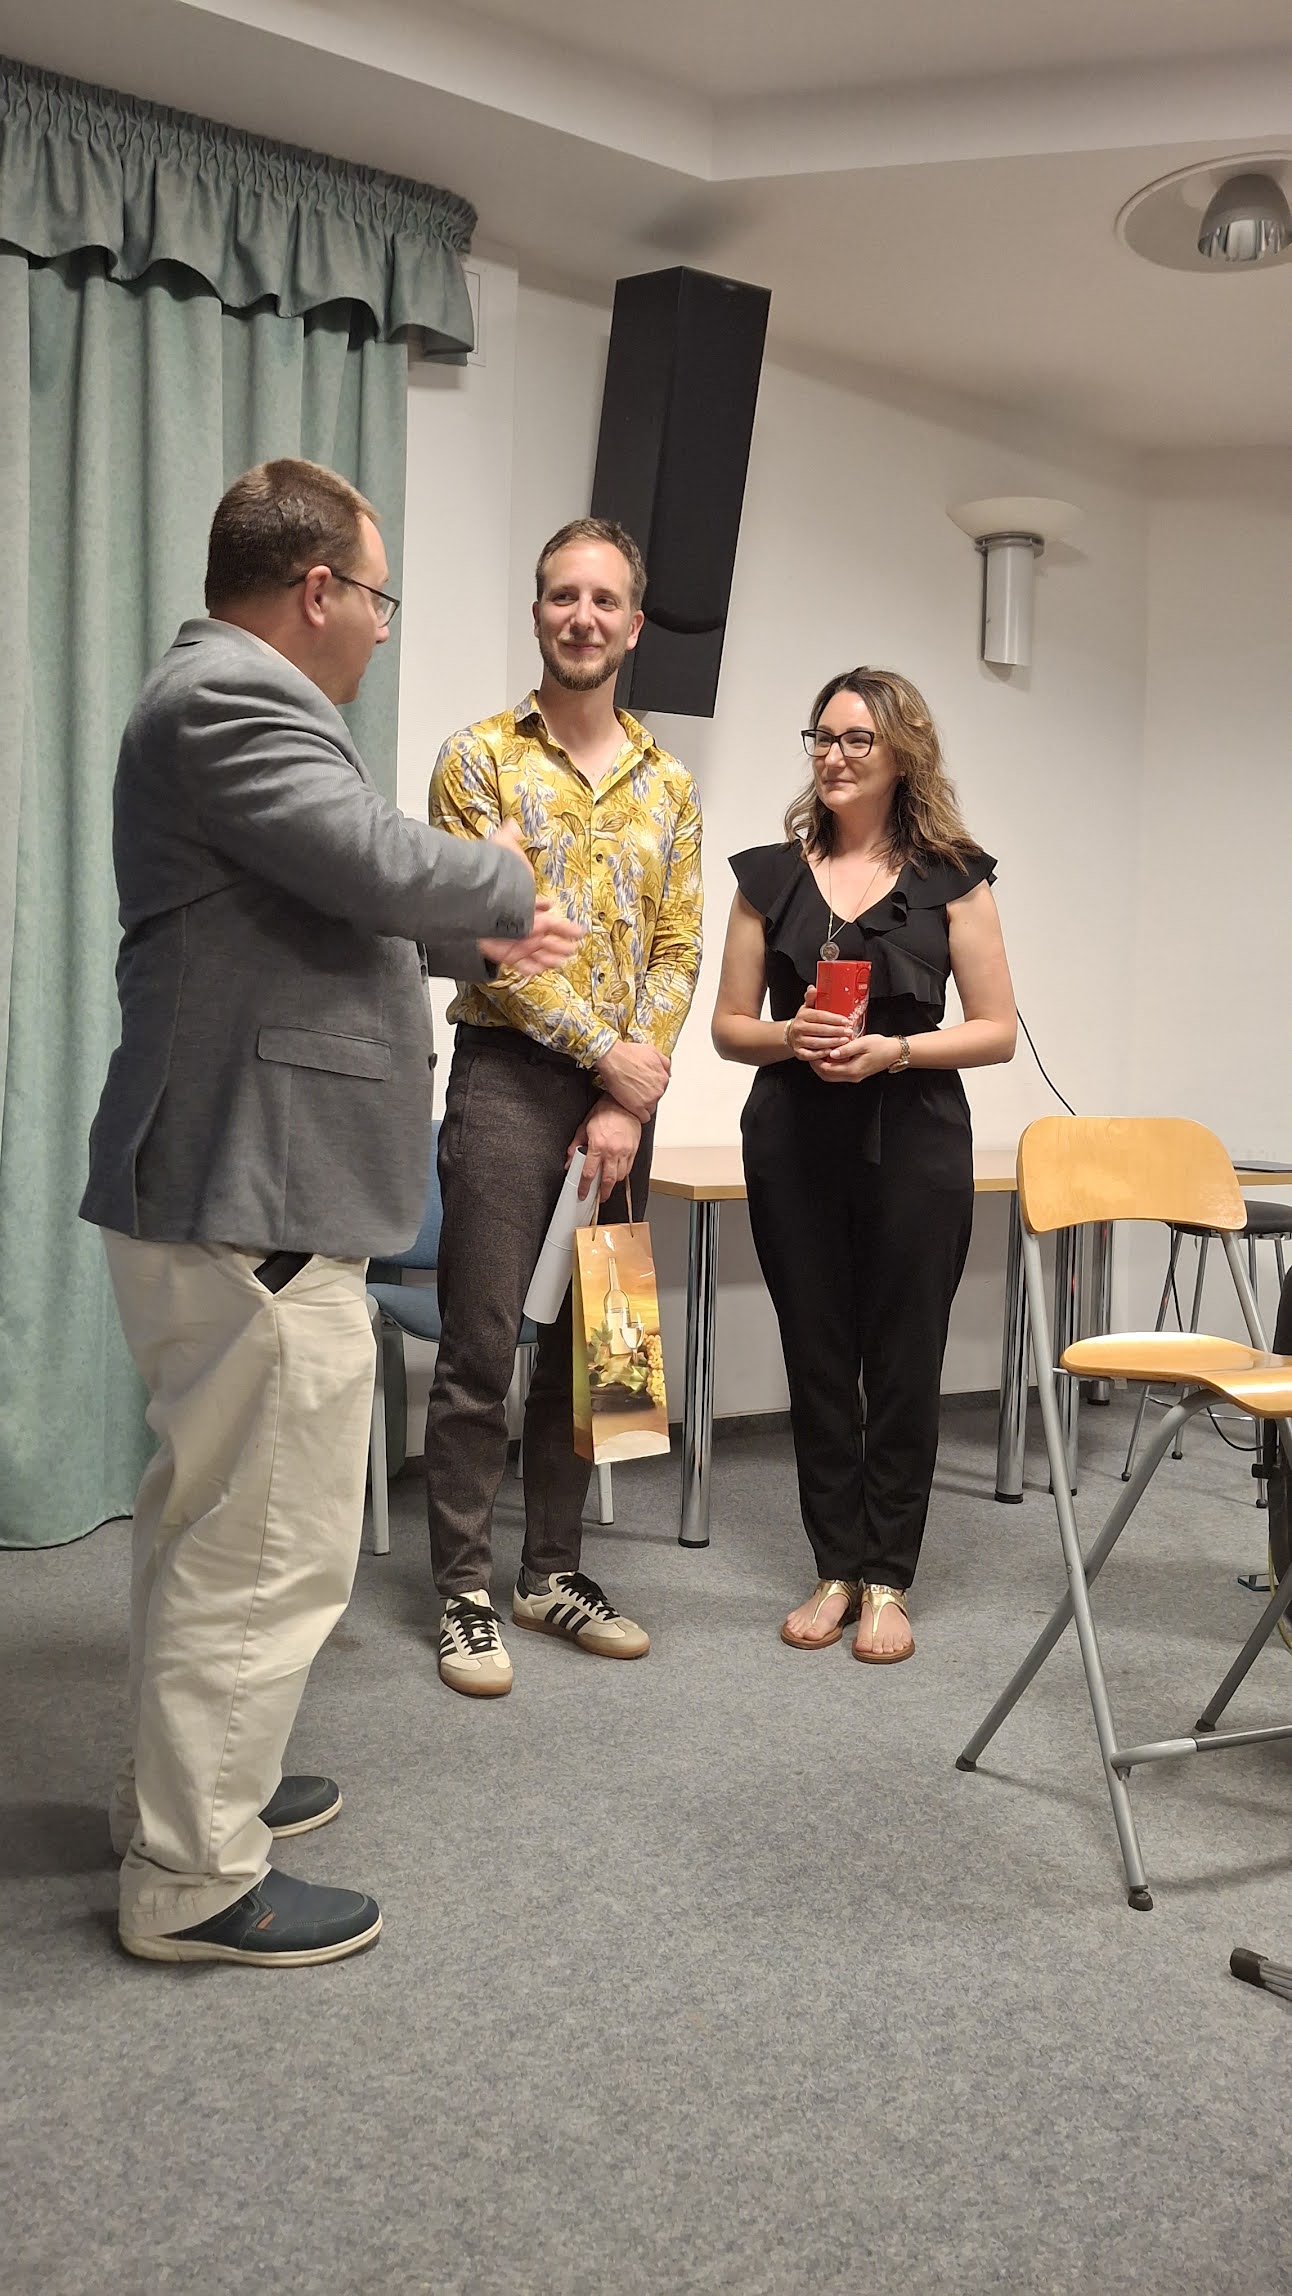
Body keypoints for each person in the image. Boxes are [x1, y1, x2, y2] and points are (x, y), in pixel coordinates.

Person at [81, 458, 581, 1967]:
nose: (377, 623)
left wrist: (465, 942)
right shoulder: (234, 699)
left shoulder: (224, 702)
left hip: (241, 1180)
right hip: (256, 1188)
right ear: (318, 590)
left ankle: (186, 1796)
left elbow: (316, 909)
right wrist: (505, 878)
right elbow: (367, 859)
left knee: (212, 1525)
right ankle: (194, 1878)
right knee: (262, 1551)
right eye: (376, 596)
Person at [423, 516, 703, 1697]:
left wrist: (629, 1095)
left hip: (622, 1105)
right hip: (506, 1079)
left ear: (633, 626)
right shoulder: (478, 759)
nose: (581, 617)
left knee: (604, 1354)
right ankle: (461, 1590)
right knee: (482, 1347)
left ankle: (551, 1571)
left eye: (603, 600)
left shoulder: (669, 783)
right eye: (561, 596)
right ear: (537, 612)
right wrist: (607, 1058)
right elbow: (479, 944)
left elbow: (678, 946)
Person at [711, 666, 1016, 1664]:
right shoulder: (767, 877)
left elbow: (995, 1030)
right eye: (821, 737)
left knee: (901, 1359)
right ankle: (834, 1568)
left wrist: (895, 1051)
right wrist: (788, 1036)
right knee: (815, 1355)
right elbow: (727, 1027)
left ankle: (888, 1576)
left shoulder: (953, 877)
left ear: (900, 754)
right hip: (793, 1139)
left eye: (856, 740)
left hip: (915, 1135)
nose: (833, 756)